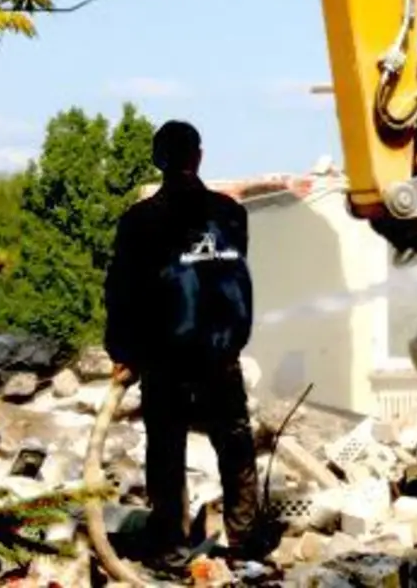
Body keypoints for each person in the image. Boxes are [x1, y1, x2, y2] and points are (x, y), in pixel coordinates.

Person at [102, 120, 263, 567]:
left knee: (167, 452)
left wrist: (121, 352)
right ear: (198, 156)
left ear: (159, 160)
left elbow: (121, 293)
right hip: (220, 355)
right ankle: (243, 546)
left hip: (165, 360)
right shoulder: (233, 214)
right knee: (235, 449)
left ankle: (172, 549)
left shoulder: (139, 222)